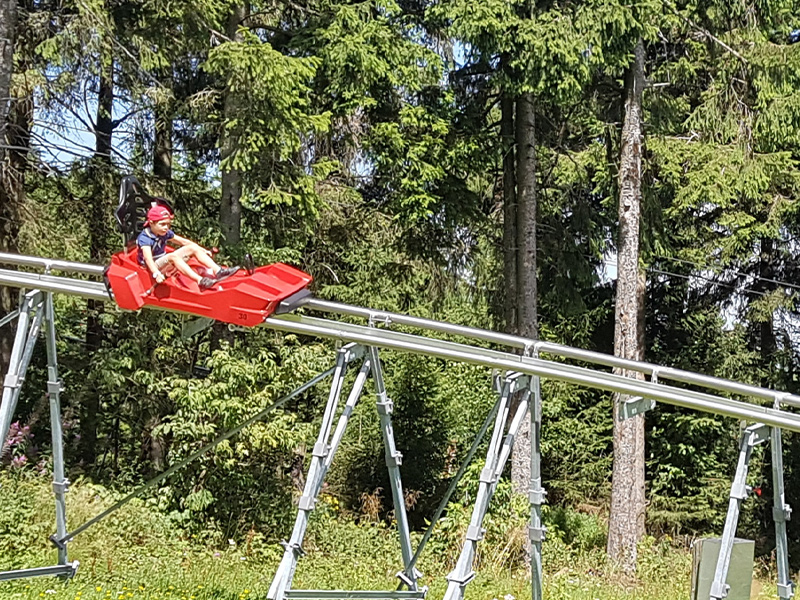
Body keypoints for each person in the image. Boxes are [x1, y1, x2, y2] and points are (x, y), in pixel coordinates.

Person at [137, 205, 239, 291]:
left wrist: (202, 250)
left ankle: (218, 271)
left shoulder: (164, 232)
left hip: (162, 260)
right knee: (172, 257)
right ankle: (200, 281)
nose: (166, 228)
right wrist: (156, 274)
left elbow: (184, 242)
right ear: (151, 223)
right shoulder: (145, 238)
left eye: (168, 224)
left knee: (191, 247)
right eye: (162, 224)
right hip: (151, 267)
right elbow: (148, 259)